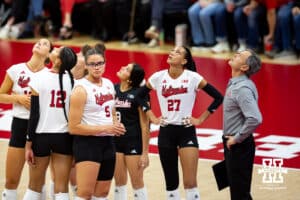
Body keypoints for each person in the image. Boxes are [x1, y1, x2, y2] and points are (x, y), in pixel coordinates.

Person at [139, 46, 223, 200]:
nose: (171, 53)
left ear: (184, 61)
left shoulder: (193, 77)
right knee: (171, 183)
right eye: (171, 51)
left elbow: (218, 97)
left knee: (190, 182)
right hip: (166, 132)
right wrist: (152, 116)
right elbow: (139, 96)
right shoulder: (158, 77)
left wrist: (200, 119)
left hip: (186, 131)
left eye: (177, 52)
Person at [68, 46, 126, 200]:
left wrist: (116, 124)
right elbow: (74, 127)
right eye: (92, 64)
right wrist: (106, 127)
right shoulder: (80, 89)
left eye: (100, 63)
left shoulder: (108, 84)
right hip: (88, 144)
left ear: (105, 63)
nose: (97, 67)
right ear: (86, 66)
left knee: (102, 193)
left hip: (108, 143)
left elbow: (112, 110)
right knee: (85, 193)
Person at [0, 38, 53, 200]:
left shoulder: (50, 75)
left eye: (45, 44)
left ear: (49, 54)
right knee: (11, 180)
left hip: (40, 128)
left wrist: (38, 105)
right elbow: (1, 96)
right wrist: (18, 99)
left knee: (37, 183)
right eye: (38, 42)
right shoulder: (16, 70)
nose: (39, 43)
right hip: (19, 126)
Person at [23, 46, 77, 200]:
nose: (55, 48)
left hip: (41, 137)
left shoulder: (39, 77)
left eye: (57, 51)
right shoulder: (74, 82)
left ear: (58, 61)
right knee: (61, 188)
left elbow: (34, 115)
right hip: (65, 138)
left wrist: (28, 144)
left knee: (34, 186)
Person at [223, 49, 262, 200]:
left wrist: (236, 138)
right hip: (233, 144)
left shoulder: (242, 88)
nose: (235, 54)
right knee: (237, 190)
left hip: (238, 145)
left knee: (240, 194)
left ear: (245, 67)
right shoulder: (236, 83)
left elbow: (255, 118)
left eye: (240, 55)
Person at [113, 63, 150, 200]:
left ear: (130, 79)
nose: (122, 67)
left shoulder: (140, 94)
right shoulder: (112, 89)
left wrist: (145, 153)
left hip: (133, 143)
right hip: (115, 141)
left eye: (127, 69)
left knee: (137, 183)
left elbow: (145, 125)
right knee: (119, 183)